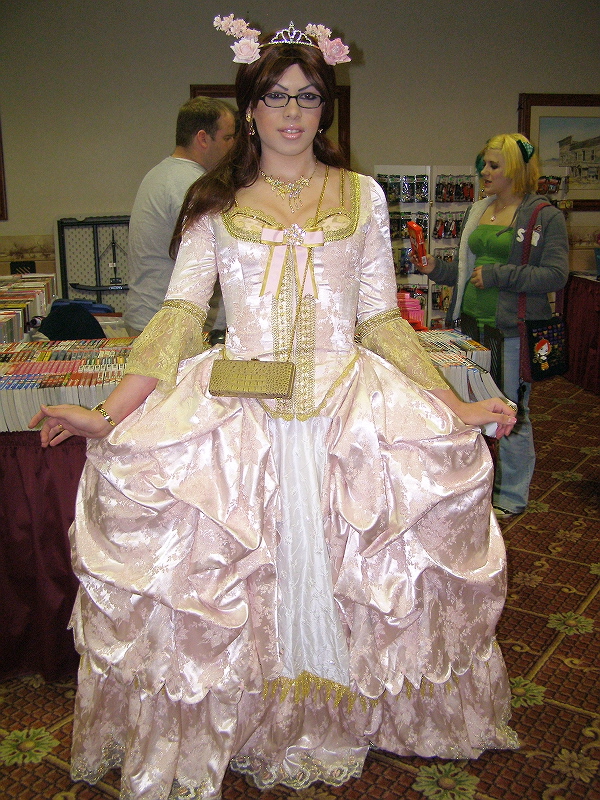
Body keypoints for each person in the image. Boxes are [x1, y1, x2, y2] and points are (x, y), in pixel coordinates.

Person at [31, 16, 520, 800]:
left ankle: (347, 715)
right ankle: (253, 723)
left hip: (344, 407)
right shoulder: (214, 201)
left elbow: (381, 319)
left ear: (326, 108)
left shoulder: (361, 196)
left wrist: (448, 404)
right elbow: (179, 317)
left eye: (308, 96)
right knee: (239, 581)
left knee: (356, 567)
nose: (292, 112)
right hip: (242, 408)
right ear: (250, 108)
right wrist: (111, 413)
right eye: (276, 97)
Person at [413, 133, 569, 518]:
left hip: (512, 331)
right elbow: (467, 272)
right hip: (469, 328)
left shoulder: (544, 215)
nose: (484, 171)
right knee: (469, 408)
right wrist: (436, 269)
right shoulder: (478, 210)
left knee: (511, 411)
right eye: (483, 163)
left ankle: (511, 496)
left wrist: (499, 274)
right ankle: (473, 487)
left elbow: (556, 275)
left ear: (514, 169)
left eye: (493, 165)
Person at [123, 95, 236, 336]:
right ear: (203, 138)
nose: (233, 146)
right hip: (169, 329)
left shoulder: (162, 173)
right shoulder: (191, 185)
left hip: (152, 318)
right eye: (227, 138)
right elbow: (219, 259)